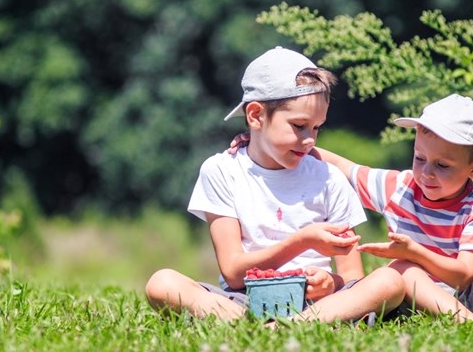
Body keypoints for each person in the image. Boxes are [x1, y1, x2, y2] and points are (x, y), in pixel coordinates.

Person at [145, 47, 405, 323]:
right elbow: (233, 272)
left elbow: (353, 277)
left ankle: (282, 327)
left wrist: (331, 282)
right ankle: (266, 324)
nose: (310, 140)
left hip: (319, 303)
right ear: (256, 116)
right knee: (162, 283)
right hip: (245, 299)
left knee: (390, 280)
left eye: (317, 128)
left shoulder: (329, 178)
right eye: (299, 125)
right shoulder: (221, 171)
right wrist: (302, 241)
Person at [313, 94, 473, 326]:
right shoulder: (400, 188)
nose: (426, 173)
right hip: (420, 304)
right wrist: (294, 146)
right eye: (419, 158)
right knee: (404, 268)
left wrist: (415, 252)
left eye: (442, 165)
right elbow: (343, 167)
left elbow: (464, 276)